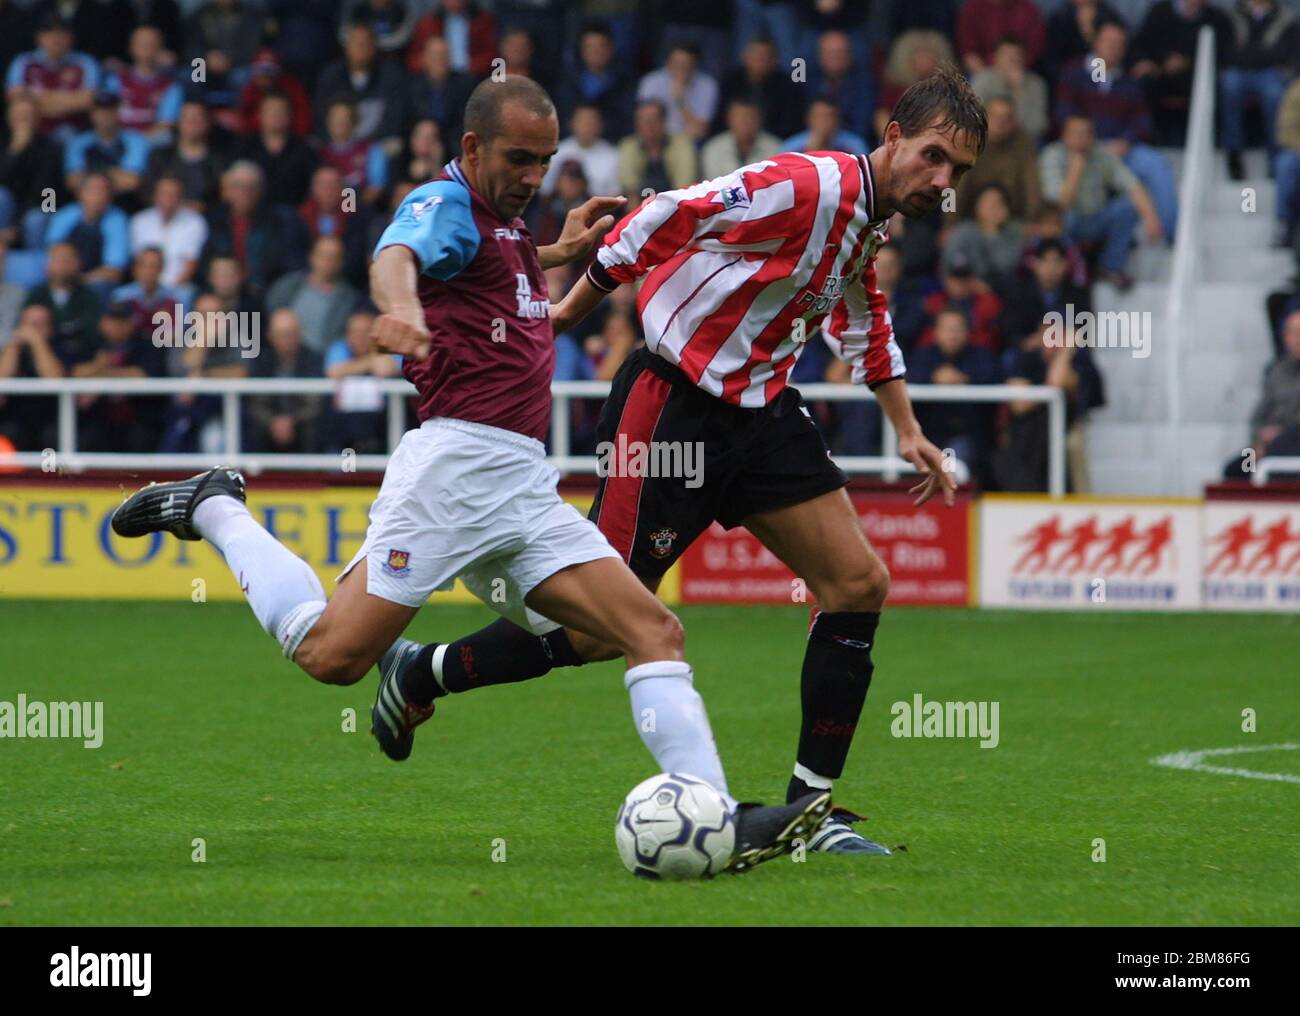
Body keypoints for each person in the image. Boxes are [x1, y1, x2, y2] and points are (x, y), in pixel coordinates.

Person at [110, 76, 828, 872]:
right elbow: (397, 253)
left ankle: (715, 819)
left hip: (522, 483)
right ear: (472, 147)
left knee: (642, 628)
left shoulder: (504, 224)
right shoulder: (445, 204)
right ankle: (218, 509)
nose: (533, 176)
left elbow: (500, 277)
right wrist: (402, 306)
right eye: (520, 159)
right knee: (331, 656)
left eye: (546, 160)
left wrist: (558, 248)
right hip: (453, 471)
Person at [376, 64, 985, 857]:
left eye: (959, 174)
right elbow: (668, 215)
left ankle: (810, 813)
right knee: (604, 629)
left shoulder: (868, 221)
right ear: (894, 135)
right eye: (934, 157)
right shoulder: (808, 184)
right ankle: (423, 673)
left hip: (762, 412)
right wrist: (564, 313)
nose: (942, 182)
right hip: (672, 406)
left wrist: (905, 429)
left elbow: (865, 314)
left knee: (859, 582)